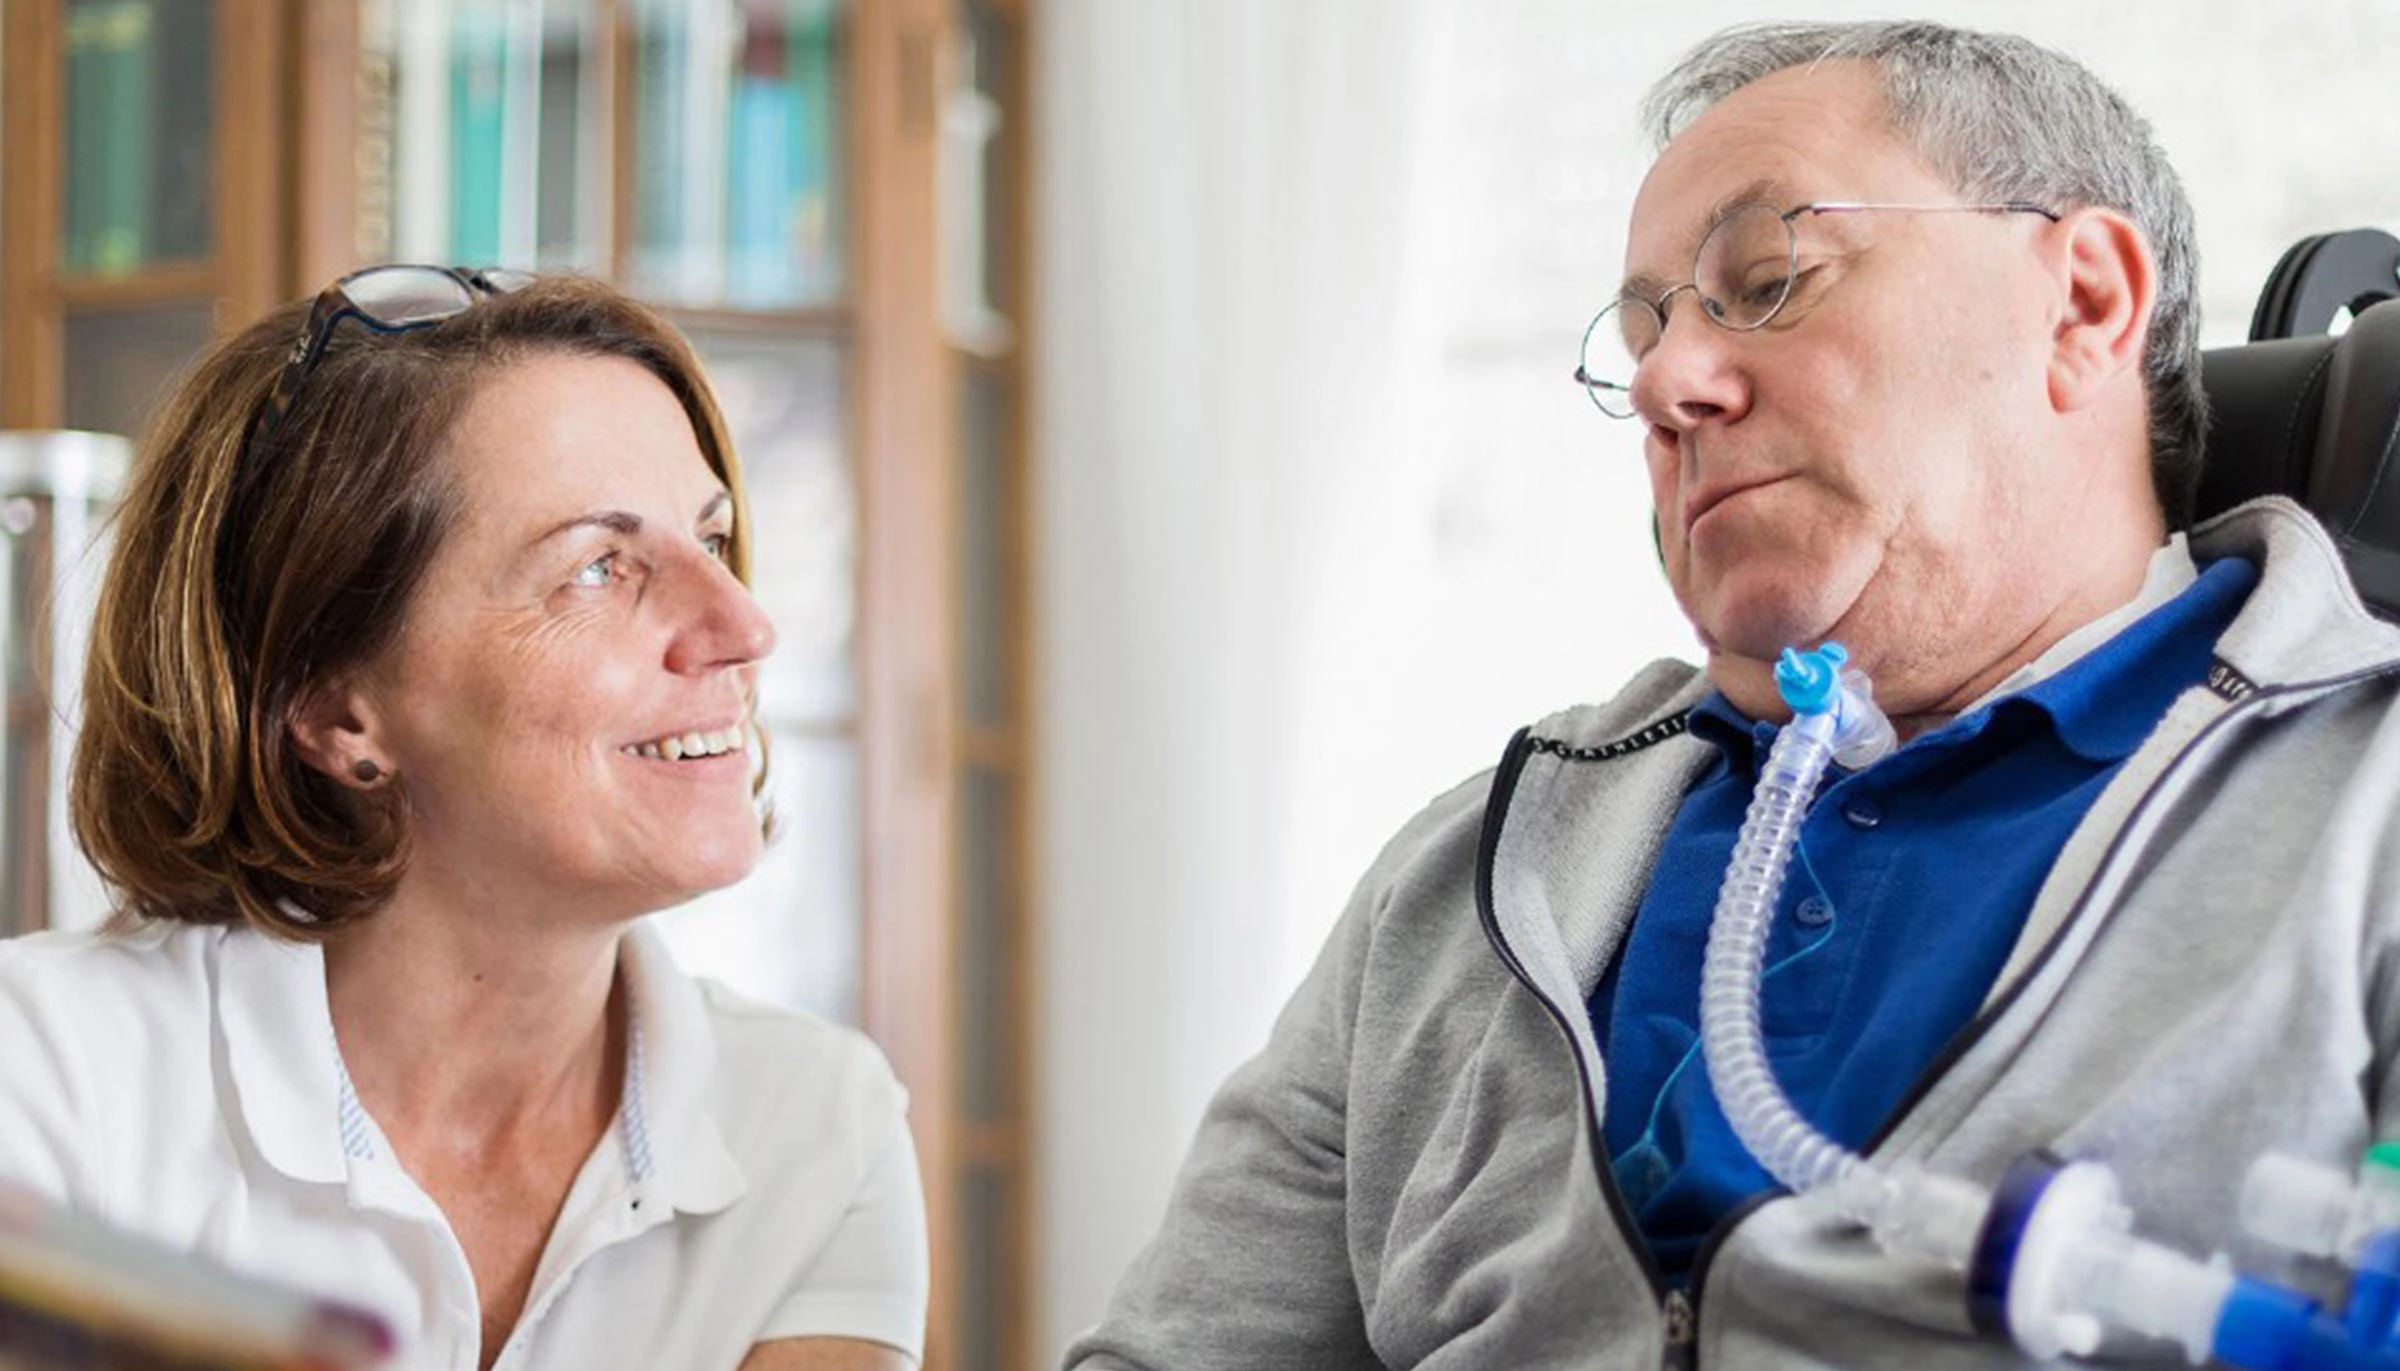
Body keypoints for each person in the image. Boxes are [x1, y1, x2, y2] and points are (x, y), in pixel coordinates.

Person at [1067, 19, 2400, 1370]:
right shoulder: (1464, 876)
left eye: (1766, 278)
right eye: (1639, 336)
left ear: (2085, 305)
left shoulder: (2367, 811)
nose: (1663, 380)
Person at [0, 268, 927, 1370]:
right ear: (334, 708)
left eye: (713, 542)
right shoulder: (45, 1076)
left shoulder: (813, 1123)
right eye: (598, 566)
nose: (741, 624)